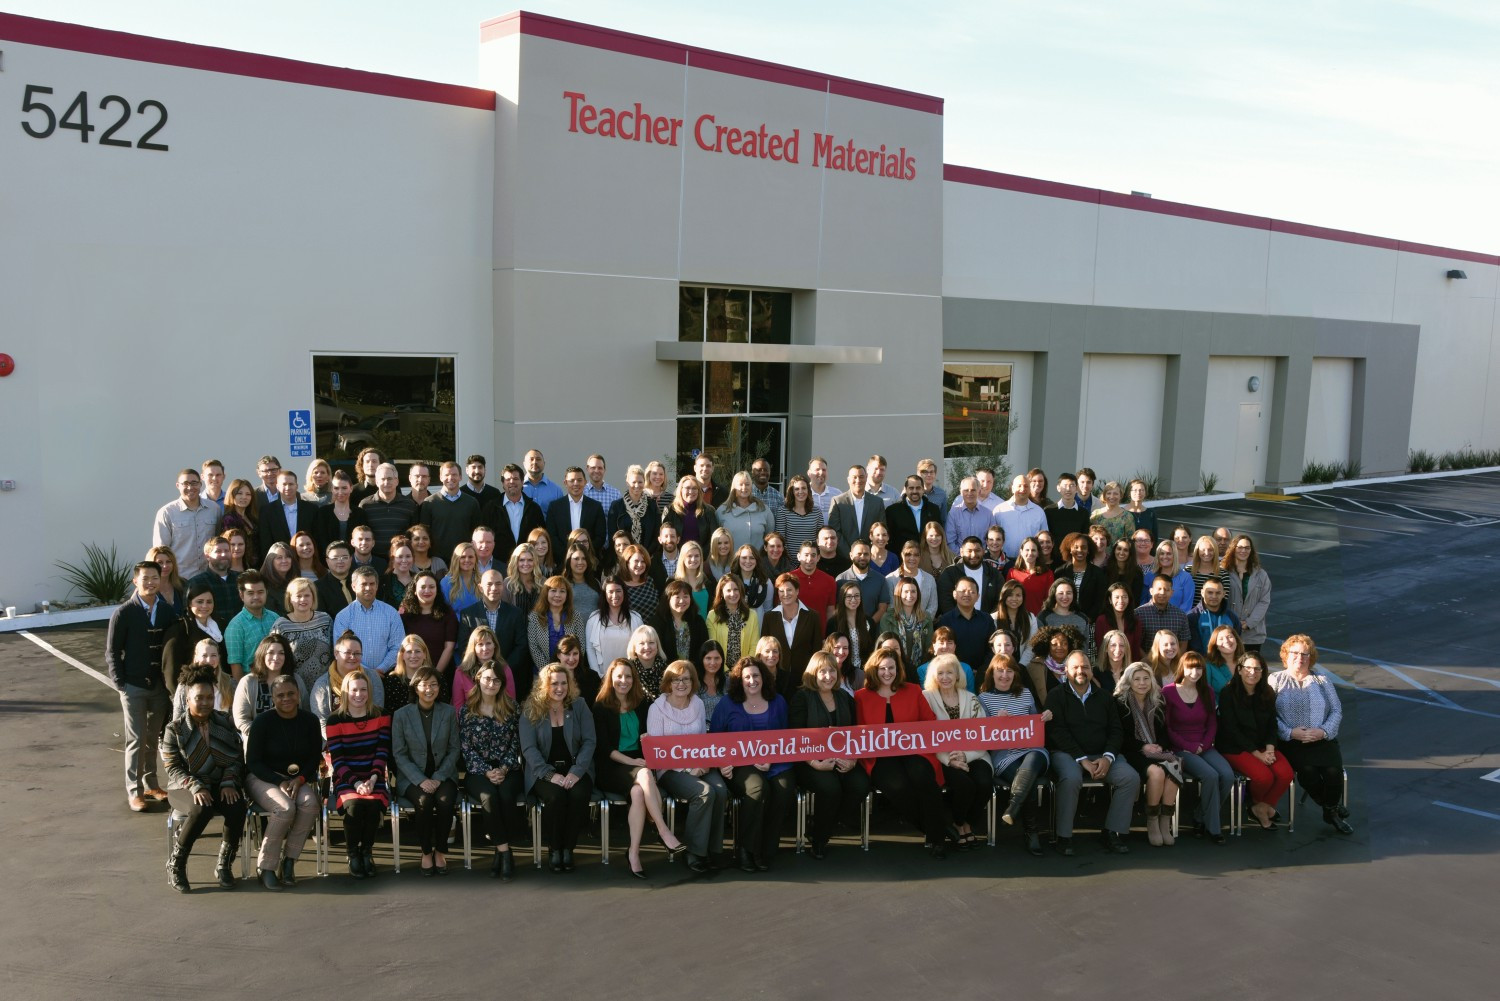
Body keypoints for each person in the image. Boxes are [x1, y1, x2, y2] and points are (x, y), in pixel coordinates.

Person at [853, 647, 954, 858]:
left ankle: (937, 840)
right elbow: (858, 732)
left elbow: (929, 722)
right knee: (897, 786)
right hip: (880, 757)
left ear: (898, 669)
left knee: (923, 777)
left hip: (914, 751)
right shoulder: (861, 697)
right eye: (882, 668)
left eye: (891, 667)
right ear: (874, 670)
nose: (887, 672)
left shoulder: (913, 690)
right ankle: (937, 829)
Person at [592, 659, 687, 878]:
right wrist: (633, 762)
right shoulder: (600, 706)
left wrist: (647, 739)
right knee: (644, 774)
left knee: (637, 793)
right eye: (619, 676)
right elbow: (605, 749)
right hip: (612, 765)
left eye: (628, 676)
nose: (623, 681)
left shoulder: (641, 703)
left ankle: (633, 853)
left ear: (633, 679)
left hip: (639, 763)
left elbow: (649, 734)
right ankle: (663, 830)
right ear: (611, 678)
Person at [1046, 650, 1140, 855]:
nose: (1081, 671)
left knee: (1130, 778)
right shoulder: (1056, 696)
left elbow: (1116, 731)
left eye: (1085, 667)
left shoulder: (1105, 696)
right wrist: (1082, 760)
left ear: (1091, 670)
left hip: (1102, 755)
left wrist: (1107, 757)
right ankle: (1064, 836)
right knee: (1071, 778)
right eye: (1076, 667)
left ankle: (1112, 832)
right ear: (1066, 671)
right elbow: (1056, 732)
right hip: (1068, 755)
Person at [161, 666, 246, 892]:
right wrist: (196, 786)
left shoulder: (224, 721)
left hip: (220, 782)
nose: (205, 702)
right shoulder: (175, 729)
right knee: (202, 808)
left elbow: (237, 758)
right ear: (188, 698)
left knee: (237, 806)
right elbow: (172, 767)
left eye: (210, 697)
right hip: (184, 786)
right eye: (199, 698)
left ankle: (224, 865)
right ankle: (176, 864)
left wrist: (229, 781)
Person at [709, 657, 794, 872]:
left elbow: (786, 739)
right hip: (740, 766)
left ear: (764, 677)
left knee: (783, 788)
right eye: (746, 677)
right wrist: (722, 764)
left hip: (775, 763)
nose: (752, 680)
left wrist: (771, 759)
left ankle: (766, 849)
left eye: (756, 675)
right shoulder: (727, 704)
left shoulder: (778, 702)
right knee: (757, 789)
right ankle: (747, 849)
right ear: (739, 680)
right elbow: (714, 740)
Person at [786, 651, 868, 859]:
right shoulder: (802, 698)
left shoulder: (844, 697)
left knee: (861, 785)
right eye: (822, 671)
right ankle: (820, 840)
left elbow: (855, 733)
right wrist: (815, 763)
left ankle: (821, 827)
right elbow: (794, 738)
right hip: (809, 761)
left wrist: (853, 759)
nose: (828, 676)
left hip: (843, 759)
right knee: (831, 789)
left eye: (832, 670)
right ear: (813, 673)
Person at [649, 659, 728, 872]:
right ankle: (694, 851)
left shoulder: (698, 704)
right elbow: (658, 753)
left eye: (686, 679)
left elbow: (702, 740)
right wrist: (687, 770)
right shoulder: (657, 708)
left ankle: (713, 850)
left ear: (693, 681)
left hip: (699, 764)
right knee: (704, 792)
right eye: (676, 679)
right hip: (670, 770)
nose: (681, 684)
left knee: (720, 791)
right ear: (668, 682)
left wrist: (701, 765)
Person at [244, 675, 322, 890]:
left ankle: (289, 862)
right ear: (273, 698)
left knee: (310, 804)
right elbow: (253, 762)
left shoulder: (310, 721)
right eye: (280, 695)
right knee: (285, 808)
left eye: (290, 694)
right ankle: (266, 867)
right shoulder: (262, 722)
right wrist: (278, 781)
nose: (286, 698)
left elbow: (314, 758)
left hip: (297, 778)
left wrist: (301, 778)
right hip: (263, 777)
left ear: (298, 695)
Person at [108, 563, 175, 812]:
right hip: (132, 686)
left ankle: (151, 784)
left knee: (153, 738)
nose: (150, 583)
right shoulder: (123, 613)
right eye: (145, 578)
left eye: (154, 578)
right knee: (136, 739)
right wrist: (120, 683)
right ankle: (134, 791)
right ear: (135, 581)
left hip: (159, 687)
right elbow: (112, 651)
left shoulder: (167, 610)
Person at [1270, 635, 1352, 834]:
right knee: (1308, 772)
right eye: (1295, 653)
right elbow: (1267, 714)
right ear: (1286, 655)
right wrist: (1290, 732)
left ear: (1311, 657)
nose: (1300, 657)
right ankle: (1331, 809)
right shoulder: (1275, 679)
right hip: (1292, 742)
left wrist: (1323, 731)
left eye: (1305, 654)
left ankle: (1329, 809)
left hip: (1322, 739)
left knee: (1333, 772)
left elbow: (1336, 710)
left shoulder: (1321, 680)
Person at [520, 663, 598, 872]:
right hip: (542, 771)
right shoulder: (530, 709)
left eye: (564, 683)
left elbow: (590, 741)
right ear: (544, 685)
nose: (560, 688)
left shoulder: (579, 705)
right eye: (554, 683)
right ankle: (555, 848)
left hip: (577, 768)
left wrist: (577, 771)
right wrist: (549, 774)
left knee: (578, 794)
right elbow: (528, 749)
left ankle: (568, 848)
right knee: (556, 797)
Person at [392, 666, 461, 875]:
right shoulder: (401, 715)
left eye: (433, 684)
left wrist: (438, 778)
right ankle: (425, 852)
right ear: (416, 687)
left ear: (439, 687)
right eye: (424, 684)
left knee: (444, 801)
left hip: (444, 774)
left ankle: (440, 850)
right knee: (423, 801)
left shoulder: (448, 712)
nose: (429, 689)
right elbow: (399, 753)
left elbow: (454, 749)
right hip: (412, 778)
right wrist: (421, 780)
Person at [977, 654, 1049, 855]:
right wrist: (994, 722)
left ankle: (1013, 807)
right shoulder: (984, 698)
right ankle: (1031, 832)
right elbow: (981, 734)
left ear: (1015, 674)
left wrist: (1045, 717)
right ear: (992, 673)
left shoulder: (1025, 693)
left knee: (1033, 759)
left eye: (1009, 670)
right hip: (1004, 756)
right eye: (1000, 670)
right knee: (1030, 781)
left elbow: (1035, 722)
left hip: (1032, 750)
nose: (1005, 675)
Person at [325, 670, 392, 878]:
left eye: (363, 690)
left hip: (374, 775)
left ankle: (366, 852)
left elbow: (382, 751)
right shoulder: (335, 720)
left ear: (369, 691)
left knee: (372, 806)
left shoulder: (381, 715)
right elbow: (338, 760)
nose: (359, 694)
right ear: (345, 692)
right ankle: (353, 853)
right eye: (354, 690)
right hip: (347, 777)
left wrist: (372, 779)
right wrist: (355, 784)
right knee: (354, 807)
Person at [460, 661, 524, 880]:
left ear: (502, 683)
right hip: (478, 771)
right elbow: (466, 748)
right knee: (488, 796)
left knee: (506, 795)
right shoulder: (467, 710)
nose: (491, 683)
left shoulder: (512, 708)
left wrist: (504, 768)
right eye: (487, 678)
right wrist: (487, 771)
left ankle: (499, 850)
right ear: (478, 679)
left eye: (496, 680)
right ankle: (506, 853)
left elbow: (517, 743)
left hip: (508, 769)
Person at [1163, 651, 1234, 843]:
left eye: (1199, 667)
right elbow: (1167, 727)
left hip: (1205, 745)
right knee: (1210, 776)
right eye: (1190, 667)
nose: (1195, 672)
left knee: (1227, 776)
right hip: (1181, 747)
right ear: (1182, 669)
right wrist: (1189, 746)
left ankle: (1200, 815)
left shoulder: (1207, 691)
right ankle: (1214, 828)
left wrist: (1204, 744)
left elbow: (1212, 722)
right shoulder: (1168, 692)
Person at [1217, 652, 1293, 831]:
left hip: (1263, 746)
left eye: (1257, 668)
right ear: (1240, 670)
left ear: (1263, 671)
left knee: (1286, 774)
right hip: (1235, 747)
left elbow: (1272, 724)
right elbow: (1231, 729)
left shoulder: (1267, 692)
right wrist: (1257, 754)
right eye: (1248, 668)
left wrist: (1269, 749)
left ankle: (1261, 807)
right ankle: (1258, 805)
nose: (1253, 672)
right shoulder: (1228, 693)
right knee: (1263, 777)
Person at [923, 653, 992, 848]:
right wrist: (949, 760)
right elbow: (923, 736)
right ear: (934, 676)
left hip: (974, 754)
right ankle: (959, 823)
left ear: (957, 675)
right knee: (964, 785)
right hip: (943, 757)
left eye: (949, 673)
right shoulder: (926, 698)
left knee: (985, 783)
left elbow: (984, 734)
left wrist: (965, 755)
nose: (945, 677)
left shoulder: (971, 698)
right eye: (940, 673)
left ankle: (963, 823)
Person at [1113, 662, 1180, 847]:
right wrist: (1143, 747)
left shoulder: (1157, 701)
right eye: (1137, 679)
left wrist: (1159, 746)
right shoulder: (1120, 702)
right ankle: (1151, 821)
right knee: (1157, 773)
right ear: (1129, 681)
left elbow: (1164, 732)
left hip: (1156, 749)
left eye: (1145, 679)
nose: (1142, 683)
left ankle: (1164, 821)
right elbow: (1120, 736)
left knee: (1175, 767)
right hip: (1131, 752)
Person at [163, 579, 230, 707]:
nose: (205, 606)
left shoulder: (221, 626)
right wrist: (180, 698)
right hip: (192, 695)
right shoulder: (178, 630)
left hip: (220, 692)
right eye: (199, 602)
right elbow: (170, 670)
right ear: (189, 603)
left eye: (209, 602)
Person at [233, 634, 306, 743]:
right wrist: (266, 736)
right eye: (271, 653)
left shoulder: (296, 680)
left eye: (281, 653)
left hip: (293, 743)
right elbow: (241, 720)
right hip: (258, 745)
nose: (276, 657)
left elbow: (305, 712)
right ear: (262, 654)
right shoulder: (248, 682)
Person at [332, 566, 403, 673]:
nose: (368, 588)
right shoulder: (343, 616)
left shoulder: (391, 613)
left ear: (377, 586)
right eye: (364, 584)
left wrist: (381, 669)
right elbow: (340, 650)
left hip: (386, 675)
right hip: (353, 677)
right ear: (354, 586)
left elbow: (398, 646)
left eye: (372, 584)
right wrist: (366, 671)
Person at [310, 631, 387, 729]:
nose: (353, 657)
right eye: (347, 652)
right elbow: (322, 722)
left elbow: (377, 712)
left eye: (357, 653)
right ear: (336, 653)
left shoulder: (372, 677)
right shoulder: (322, 685)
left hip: (369, 736)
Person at [154, 468, 220, 579]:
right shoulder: (167, 513)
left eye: (194, 483)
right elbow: (160, 550)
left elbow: (219, 540)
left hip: (209, 576)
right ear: (177, 485)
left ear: (200, 484)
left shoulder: (214, 509)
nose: (190, 487)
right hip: (180, 578)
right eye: (185, 484)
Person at [762, 573, 822, 694]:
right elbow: (764, 648)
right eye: (781, 591)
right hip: (776, 680)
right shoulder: (769, 617)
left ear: (797, 591)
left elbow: (817, 650)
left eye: (789, 590)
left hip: (805, 678)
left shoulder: (812, 616)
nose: (785, 594)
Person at [399, 571, 459, 686]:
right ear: (415, 591)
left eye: (431, 587)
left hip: (441, 675)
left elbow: (449, 647)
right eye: (422, 587)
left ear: (437, 590)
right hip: (410, 676)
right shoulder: (405, 613)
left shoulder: (447, 612)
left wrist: (435, 675)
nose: (427, 590)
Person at [528, 576, 588, 685]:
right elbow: (533, 646)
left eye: (562, 591)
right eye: (553, 591)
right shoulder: (535, 617)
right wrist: (550, 670)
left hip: (570, 674)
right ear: (546, 593)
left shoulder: (576, 616)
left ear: (567, 595)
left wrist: (568, 668)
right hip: (542, 674)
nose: (557, 595)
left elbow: (581, 645)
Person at [544, 465, 607, 558]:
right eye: (572, 480)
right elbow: (552, 536)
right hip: (562, 560)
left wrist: (585, 554)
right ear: (565, 483)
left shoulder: (596, 507)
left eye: (579, 480)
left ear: (585, 482)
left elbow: (600, 536)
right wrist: (568, 555)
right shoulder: (554, 507)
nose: (576, 483)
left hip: (589, 562)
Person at [357, 463, 418, 557]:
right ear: (377, 482)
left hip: (401, 560)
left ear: (396, 481)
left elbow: (414, 535)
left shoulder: (409, 505)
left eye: (389, 479)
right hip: (374, 559)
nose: (386, 482)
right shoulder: (365, 505)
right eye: (382, 479)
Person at [1224, 534, 1272, 654]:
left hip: (1253, 635)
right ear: (1233, 549)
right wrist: (1232, 623)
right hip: (1228, 632)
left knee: (1250, 669)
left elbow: (1264, 601)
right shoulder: (1223, 572)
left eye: (1247, 548)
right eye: (1239, 547)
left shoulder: (1261, 575)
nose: (1243, 550)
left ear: (1251, 551)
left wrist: (1248, 623)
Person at [827, 464, 887, 558]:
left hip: (870, 557)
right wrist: (851, 554)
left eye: (861, 477)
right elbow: (835, 531)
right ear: (848, 480)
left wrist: (868, 553)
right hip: (844, 558)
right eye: (854, 477)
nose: (858, 480)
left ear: (866, 478)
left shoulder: (877, 502)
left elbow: (881, 530)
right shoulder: (838, 502)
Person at [258, 469, 319, 560]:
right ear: (277, 486)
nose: (287, 488)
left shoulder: (311, 509)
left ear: (296, 486)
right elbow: (265, 542)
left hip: (306, 561)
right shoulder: (267, 511)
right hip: (279, 562)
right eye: (284, 484)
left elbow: (316, 538)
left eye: (291, 484)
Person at [879, 575, 934, 674]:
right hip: (893, 669)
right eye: (906, 592)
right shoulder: (888, 618)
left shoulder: (926, 618)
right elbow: (883, 649)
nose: (910, 595)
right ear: (899, 594)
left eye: (913, 591)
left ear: (918, 594)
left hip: (919, 670)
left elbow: (929, 648)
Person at [705, 573, 761, 668]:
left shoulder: (752, 615)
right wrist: (726, 671)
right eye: (728, 590)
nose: (733, 594)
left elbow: (754, 645)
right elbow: (713, 647)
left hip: (745, 670)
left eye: (736, 590)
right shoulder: (713, 616)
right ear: (722, 593)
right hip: (720, 669)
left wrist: (744, 668)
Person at [186, 535, 240, 631]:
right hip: (211, 636)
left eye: (226, 551)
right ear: (207, 556)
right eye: (218, 551)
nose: (223, 554)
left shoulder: (241, 579)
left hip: (240, 634)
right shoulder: (196, 583)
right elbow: (188, 615)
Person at [716, 470, 776, 552]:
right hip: (730, 562)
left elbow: (770, 536)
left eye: (747, 484)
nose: (744, 488)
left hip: (756, 561)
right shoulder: (722, 511)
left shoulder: (763, 509)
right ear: (734, 487)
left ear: (751, 486)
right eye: (740, 484)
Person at [885, 475, 943, 554]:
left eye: (918, 488)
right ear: (905, 489)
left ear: (923, 489)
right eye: (911, 488)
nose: (915, 491)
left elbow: (939, 533)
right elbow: (889, 539)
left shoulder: (933, 510)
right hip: (903, 558)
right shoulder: (893, 511)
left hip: (928, 557)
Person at [1188, 579, 1242, 664]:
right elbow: (1194, 647)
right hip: (1202, 665)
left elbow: (1237, 643)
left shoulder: (1232, 617)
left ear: (1224, 594)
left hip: (1226, 665)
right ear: (1202, 593)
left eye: (1218, 593)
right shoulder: (1192, 617)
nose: (1214, 596)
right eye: (1210, 592)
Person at [1037, 578, 1094, 658]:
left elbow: (1084, 648)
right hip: (1048, 665)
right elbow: (1039, 647)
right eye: (1061, 593)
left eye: (1068, 593)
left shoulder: (1082, 618)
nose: (1065, 597)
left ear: (1074, 595)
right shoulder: (1043, 617)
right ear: (1054, 594)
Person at [1136, 575, 1192, 654]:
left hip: (1172, 663)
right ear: (1151, 591)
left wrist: (1174, 663)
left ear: (1172, 593)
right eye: (1159, 589)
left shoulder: (1180, 616)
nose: (1162, 593)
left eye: (1166, 590)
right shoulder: (1139, 614)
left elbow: (1183, 643)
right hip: (1146, 663)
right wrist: (1147, 661)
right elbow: (1136, 644)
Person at [996, 475, 1048, 558]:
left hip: (1029, 562)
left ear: (1030, 489)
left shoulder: (1038, 512)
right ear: (1012, 488)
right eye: (1019, 486)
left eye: (1026, 486)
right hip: (1004, 562)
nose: (1023, 489)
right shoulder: (999, 510)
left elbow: (1044, 538)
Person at [774, 473, 824, 557]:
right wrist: (789, 560)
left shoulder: (817, 512)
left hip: (810, 560)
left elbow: (819, 539)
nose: (800, 492)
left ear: (808, 490)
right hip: (789, 561)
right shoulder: (783, 511)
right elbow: (780, 539)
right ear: (792, 492)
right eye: (796, 489)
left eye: (804, 488)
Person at [662, 475, 720, 547]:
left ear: (699, 491)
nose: (691, 491)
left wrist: (701, 555)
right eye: (687, 488)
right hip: (677, 557)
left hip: (701, 556)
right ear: (681, 490)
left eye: (694, 488)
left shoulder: (709, 511)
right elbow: (664, 537)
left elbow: (714, 538)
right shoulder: (670, 511)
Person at [946, 477, 999, 554]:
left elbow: (993, 539)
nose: (969, 493)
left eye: (973, 490)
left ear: (979, 491)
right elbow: (950, 541)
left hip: (982, 559)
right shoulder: (953, 513)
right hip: (960, 559)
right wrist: (962, 556)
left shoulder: (988, 514)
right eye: (966, 490)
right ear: (961, 492)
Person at [1094, 582, 1143, 662]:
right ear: (1110, 600)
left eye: (1124, 597)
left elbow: (1135, 649)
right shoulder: (1101, 620)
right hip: (1107, 666)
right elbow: (1100, 648)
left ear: (1129, 599)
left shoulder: (1136, 621)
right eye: (1117, 597)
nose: (1121, 601)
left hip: (1129, 667)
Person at [313, 469, 359, 552]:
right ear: (332, 489)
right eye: (336, 488)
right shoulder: (323, 513)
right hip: (328, 561)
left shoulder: (360, 513)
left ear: (351, 488)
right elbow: (320, 541)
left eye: (344, 488)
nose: (340, 492)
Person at [1006, 536, 1053, 615]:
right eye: (1027, 550)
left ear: (1038, 553)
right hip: (1017, 617)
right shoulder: (1012, 573)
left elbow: (1049, 600)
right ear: (1021, 552)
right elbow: (1007, 597)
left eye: (1033, 550)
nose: (1030, 553)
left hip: (1038, 618)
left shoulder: (1047, 574)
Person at [1143, 541, 1194, 613]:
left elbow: (1186, 605)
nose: (1165, 557)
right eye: (1162, 553)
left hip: (1176, 620)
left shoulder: (1186, 578)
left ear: (1175, 556)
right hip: (1150, 619)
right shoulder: (1149, 576)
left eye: (1169, 554)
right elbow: (1143, 601)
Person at [1186, 534, 1233, 609]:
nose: (1207, 553)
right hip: (1191, 616)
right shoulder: (1187, 571)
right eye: (1203, 550)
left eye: (1210, 550)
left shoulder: (1223, 574)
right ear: (1197, 551)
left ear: (1215, 551)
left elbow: (1223, 599)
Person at [624, 624, 670, 699]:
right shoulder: (628, 670)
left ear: (657, 646)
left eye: (651, 642)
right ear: (634, 648)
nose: (647, 647)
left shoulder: (667, 670)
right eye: (642, 643)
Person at [1088, 480, 1135, 550]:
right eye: (1109, 493)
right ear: (1104, 495)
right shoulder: (1096, 515)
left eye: (1115, 493)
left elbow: (1130, 541)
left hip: (1118, 558)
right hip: (1096, 557)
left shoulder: (1127, 517)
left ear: (1121, 495)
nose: (1112, 496)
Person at [221, 479, 259, 563]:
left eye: (248, 494)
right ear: (232, 495)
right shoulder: (229, 519)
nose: (244, 497)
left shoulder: (252, 517)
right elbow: (230, 547)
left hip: (255, 564)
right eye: (239, 493)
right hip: (239, 565)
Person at [673, 540, 715, 617]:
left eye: (696, 556)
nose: (693, 559)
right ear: (683, 558)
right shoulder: (673, 582)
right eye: (689, 556)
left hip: (706, 627)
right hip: (684, 628)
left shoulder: (708, 581)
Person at [315, 540, 356, 617]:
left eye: (344, 557)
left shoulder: (360, 582)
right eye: (335, 558)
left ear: (351, 559)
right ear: (327, 561)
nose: (340, 561)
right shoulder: (318, 587)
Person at [439, 541, 482, 613]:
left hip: (480, 623)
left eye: (470, 557)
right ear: (456, 559)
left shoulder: (482, 580)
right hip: (455, 623)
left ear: (476, 559)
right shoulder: (446, 582)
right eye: (463, 557)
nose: (467, 560)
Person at [1203, 623, 1245, 696]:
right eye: (1221, 639)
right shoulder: (1208, 666)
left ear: (1236, 640)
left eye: (1229, 636)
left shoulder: (1247, 663)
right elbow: (1205, 694)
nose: (1226, 641)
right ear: (1216, 645)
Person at [504, 542, 545, 615]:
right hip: (515, 626)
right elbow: (504, 612)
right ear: (515, 561)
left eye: (530, 560)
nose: (526, 564)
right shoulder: (508, 583)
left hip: (539, 626)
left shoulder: (543, 582)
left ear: (535, 562)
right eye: (522, 560)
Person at [380, 537, 416, 607]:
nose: (404, 560)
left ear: (413, 558)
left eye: (408, 556)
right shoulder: (383, 581)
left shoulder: (419, 579)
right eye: (400, 557)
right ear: (393, 558)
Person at [1126, 478, 1157, 543]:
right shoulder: (1122, 512)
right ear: (1129, 492)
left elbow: (1154, 537)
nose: (1138, 493)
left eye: (1141, 490)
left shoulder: (1151, 513)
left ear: (1145, 493)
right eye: (1135, 490)